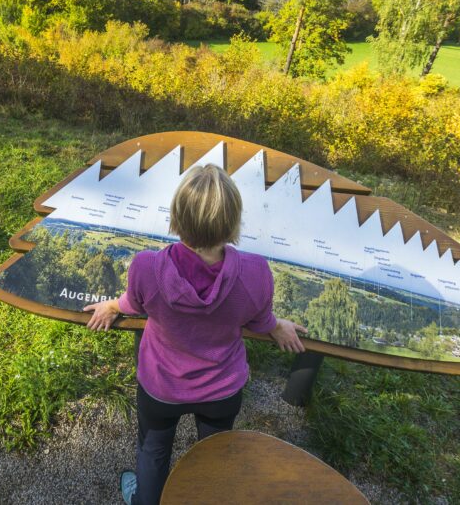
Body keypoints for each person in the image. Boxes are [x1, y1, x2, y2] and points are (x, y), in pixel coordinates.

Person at [84, 163, 307, 505]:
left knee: (153, 448)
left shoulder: (146, 267)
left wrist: (112, 306)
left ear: (176, 216)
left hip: (160, 388)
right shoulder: (255, 272)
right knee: (212, 456)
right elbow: (261, 319)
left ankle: (145, 499)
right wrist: (280, 327)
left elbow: (134, 302)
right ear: (233, 222)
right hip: (222, 390)